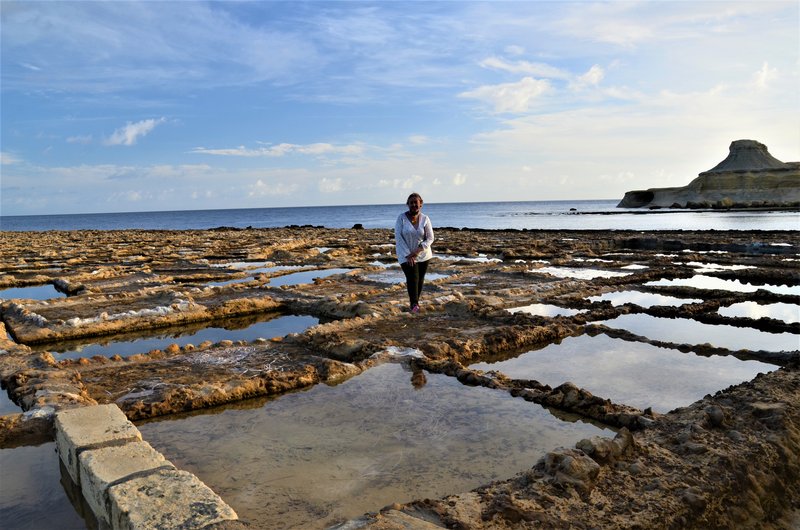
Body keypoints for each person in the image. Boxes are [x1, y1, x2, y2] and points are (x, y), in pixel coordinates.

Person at [395, 192, 434, 313]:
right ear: (407, 204)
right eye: (411, 203)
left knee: (420, 279)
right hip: (405, 255)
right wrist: (409, 254)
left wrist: (417, 251)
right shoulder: (401, 218)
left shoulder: (425, 219)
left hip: (423, 255)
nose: (413, 205)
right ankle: (414, 305)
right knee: (412, 278)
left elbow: (430, 238)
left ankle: (415, 303)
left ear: (420, 204)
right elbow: (398, 237)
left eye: (416, 203)